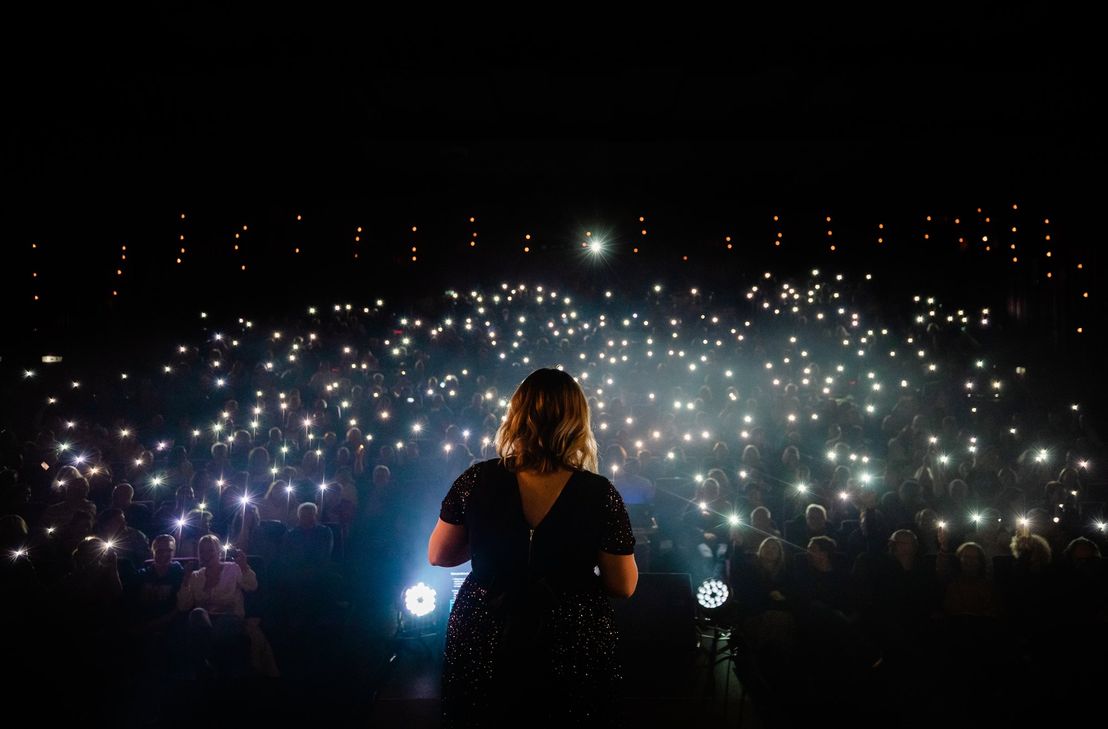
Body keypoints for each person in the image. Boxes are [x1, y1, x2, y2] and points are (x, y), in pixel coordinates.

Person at [428, 367, 638, 728]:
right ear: (577, 422)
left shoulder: (476, 479)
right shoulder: (599, 493)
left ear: (517, 417)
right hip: (570, 635)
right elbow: (623, 585)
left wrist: (491, 545)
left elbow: (439, 555)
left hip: (487, 628)